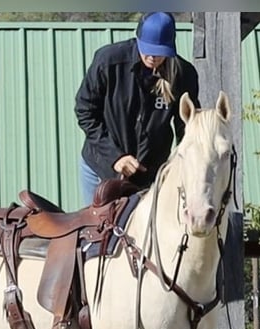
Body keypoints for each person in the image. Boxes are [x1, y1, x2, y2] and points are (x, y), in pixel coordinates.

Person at [75, 12, 200, 205]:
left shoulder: (184, 75)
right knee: (99, 233)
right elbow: (85, 110)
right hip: (101, 168)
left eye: (159, 52)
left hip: (149, 175)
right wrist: (115, 157)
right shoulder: (108, 61)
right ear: (138, 38)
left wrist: (183, 167)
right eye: (147, 49)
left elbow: (187, 127)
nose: (152, 57)